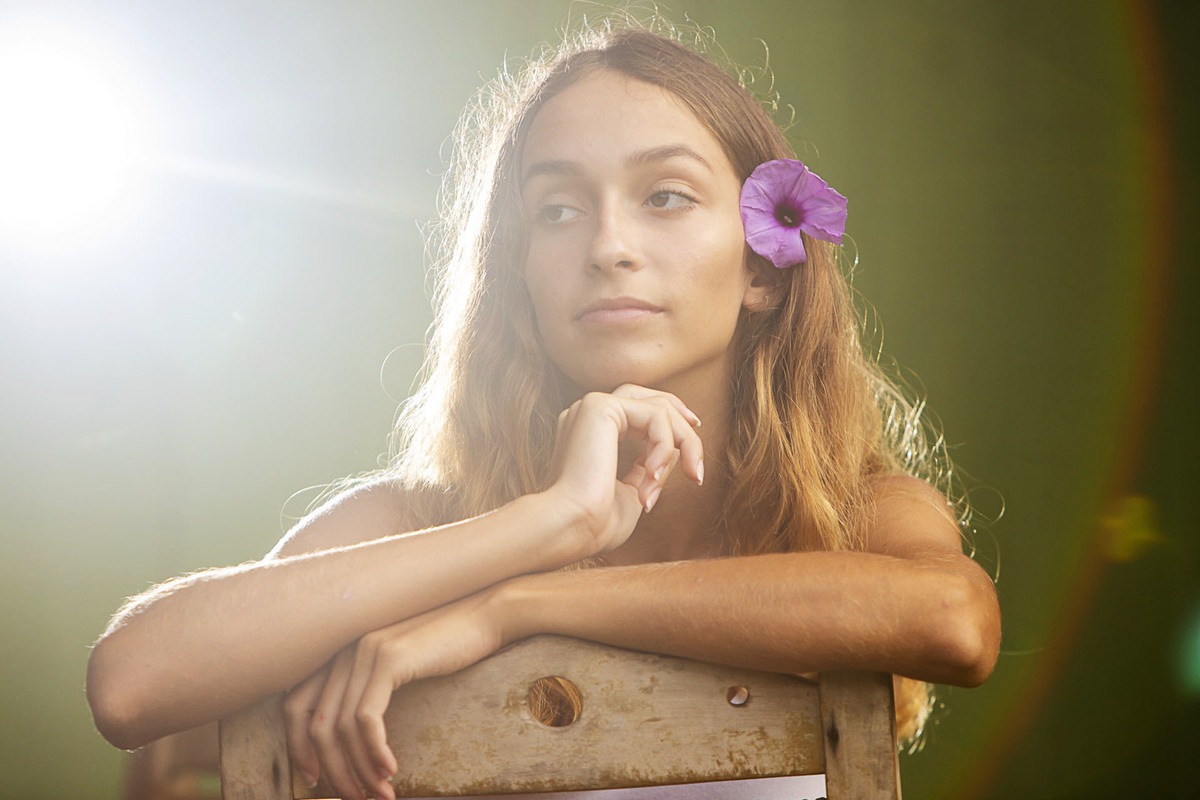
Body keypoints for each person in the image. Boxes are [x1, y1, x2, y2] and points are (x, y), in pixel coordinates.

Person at [86, 19, 1001, 800]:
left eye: (666, 197)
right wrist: (546, 524)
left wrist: (514, 608)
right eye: (558, 211)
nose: (608, 245)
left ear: (762, 267)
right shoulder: (424, 522)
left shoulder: (849, 516)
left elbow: (956, 622)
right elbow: (132, 687)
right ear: (517, 275)